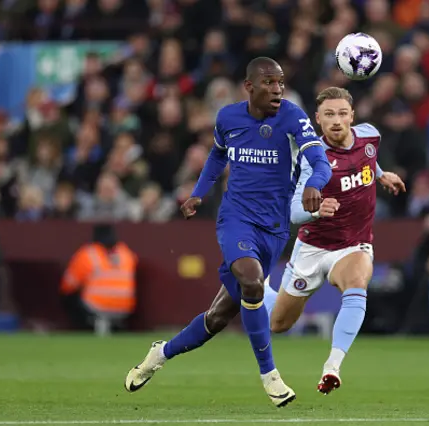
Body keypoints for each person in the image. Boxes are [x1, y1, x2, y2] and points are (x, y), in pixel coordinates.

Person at [124, 57, 332, 408]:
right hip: (235, 219)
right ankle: (270, 376)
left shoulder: (294, 117)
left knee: (217, 317)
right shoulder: (228, 118)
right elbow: (217, 156)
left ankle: (160, 354)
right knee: (251, 281)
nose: (278, 89)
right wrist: (198, 193)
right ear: (249, 87)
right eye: (269, 83)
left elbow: (320, 161)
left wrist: (314, 183)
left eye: (280, 83)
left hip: (275, 228)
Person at [262, 87, 405, 394]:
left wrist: (380, 174)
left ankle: (332, 366)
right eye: (329, 115)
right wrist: (316, 211)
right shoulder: (312, 158)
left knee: (356, 281)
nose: (337, 120)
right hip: (312, 248)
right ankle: (258, 289)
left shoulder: (370, 136)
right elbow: (293, 211)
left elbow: (368, 159)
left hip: (353, 245)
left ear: (352, 116)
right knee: (278, 324)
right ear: (318, 120)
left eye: (342, 113)